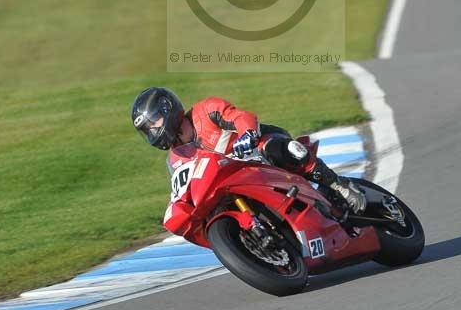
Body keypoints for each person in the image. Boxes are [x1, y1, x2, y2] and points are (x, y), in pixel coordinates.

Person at [131, 86, 366, 214]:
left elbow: (241, 116)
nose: (153, 133)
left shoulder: (206, 110)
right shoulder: (176, 157)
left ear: (167, 110)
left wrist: (248, 135)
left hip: (258, 152)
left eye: (153, 124)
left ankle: (338, 185)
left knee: (277, 148)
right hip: (233, 181)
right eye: (147, 131)